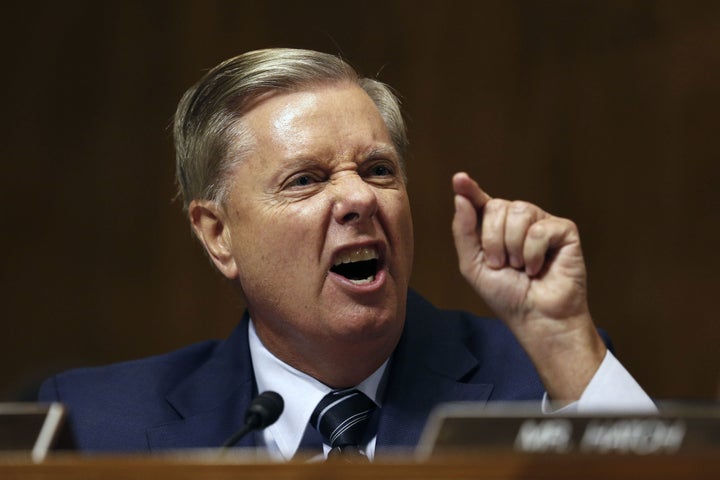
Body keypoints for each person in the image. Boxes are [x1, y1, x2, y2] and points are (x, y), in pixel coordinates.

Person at [39, 48, 655, 460]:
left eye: (379, 169)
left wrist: (562, 340)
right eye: (306, 179)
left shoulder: (545, 380)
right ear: (217, 235)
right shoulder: (96, 424)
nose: (359, 197)